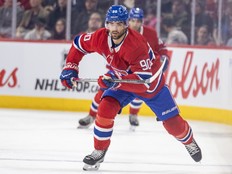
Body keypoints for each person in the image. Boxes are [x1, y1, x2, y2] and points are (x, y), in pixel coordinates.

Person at [60, 5, 202, 171]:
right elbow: (78, 44)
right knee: (105, 107)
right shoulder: (100, 37)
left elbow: (142, 81)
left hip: (151, 87)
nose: (114, 28)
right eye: (111, 24)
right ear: (106, 24)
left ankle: (189, 141)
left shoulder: (136, 45)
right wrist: (70, 67)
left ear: (125, 25)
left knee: (174, 126)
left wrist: (115, 81)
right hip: (123, 81)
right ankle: (99, 151)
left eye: (119, 24)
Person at [77, 7, 169, 130]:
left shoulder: (150, 34)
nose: (135, 23)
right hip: (117, 70)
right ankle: (91, 115)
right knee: (103, 89)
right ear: (128, 20)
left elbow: (161, 47)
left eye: (138, 21)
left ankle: (133, 115)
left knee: (140, 90)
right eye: (132, 20)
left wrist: (164, 57)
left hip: (139, 70)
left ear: (142, 22)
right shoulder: (119, 30)